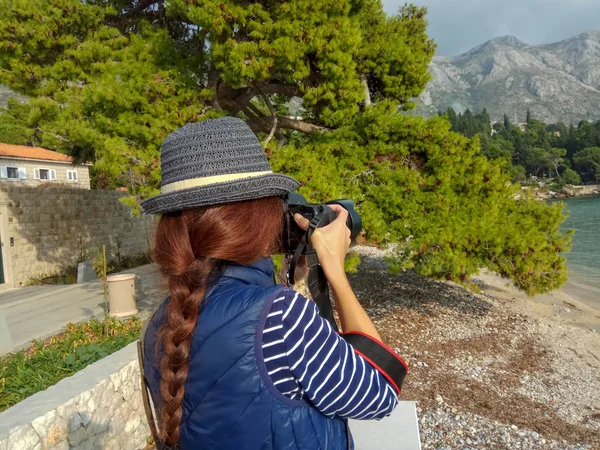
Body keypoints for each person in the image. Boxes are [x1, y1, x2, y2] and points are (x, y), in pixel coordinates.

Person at [139, 117, 407, 449]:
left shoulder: (162, 321)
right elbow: (379, 394)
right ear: (255, 215)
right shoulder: (280, 315)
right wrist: (335, 270)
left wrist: (289, 280)